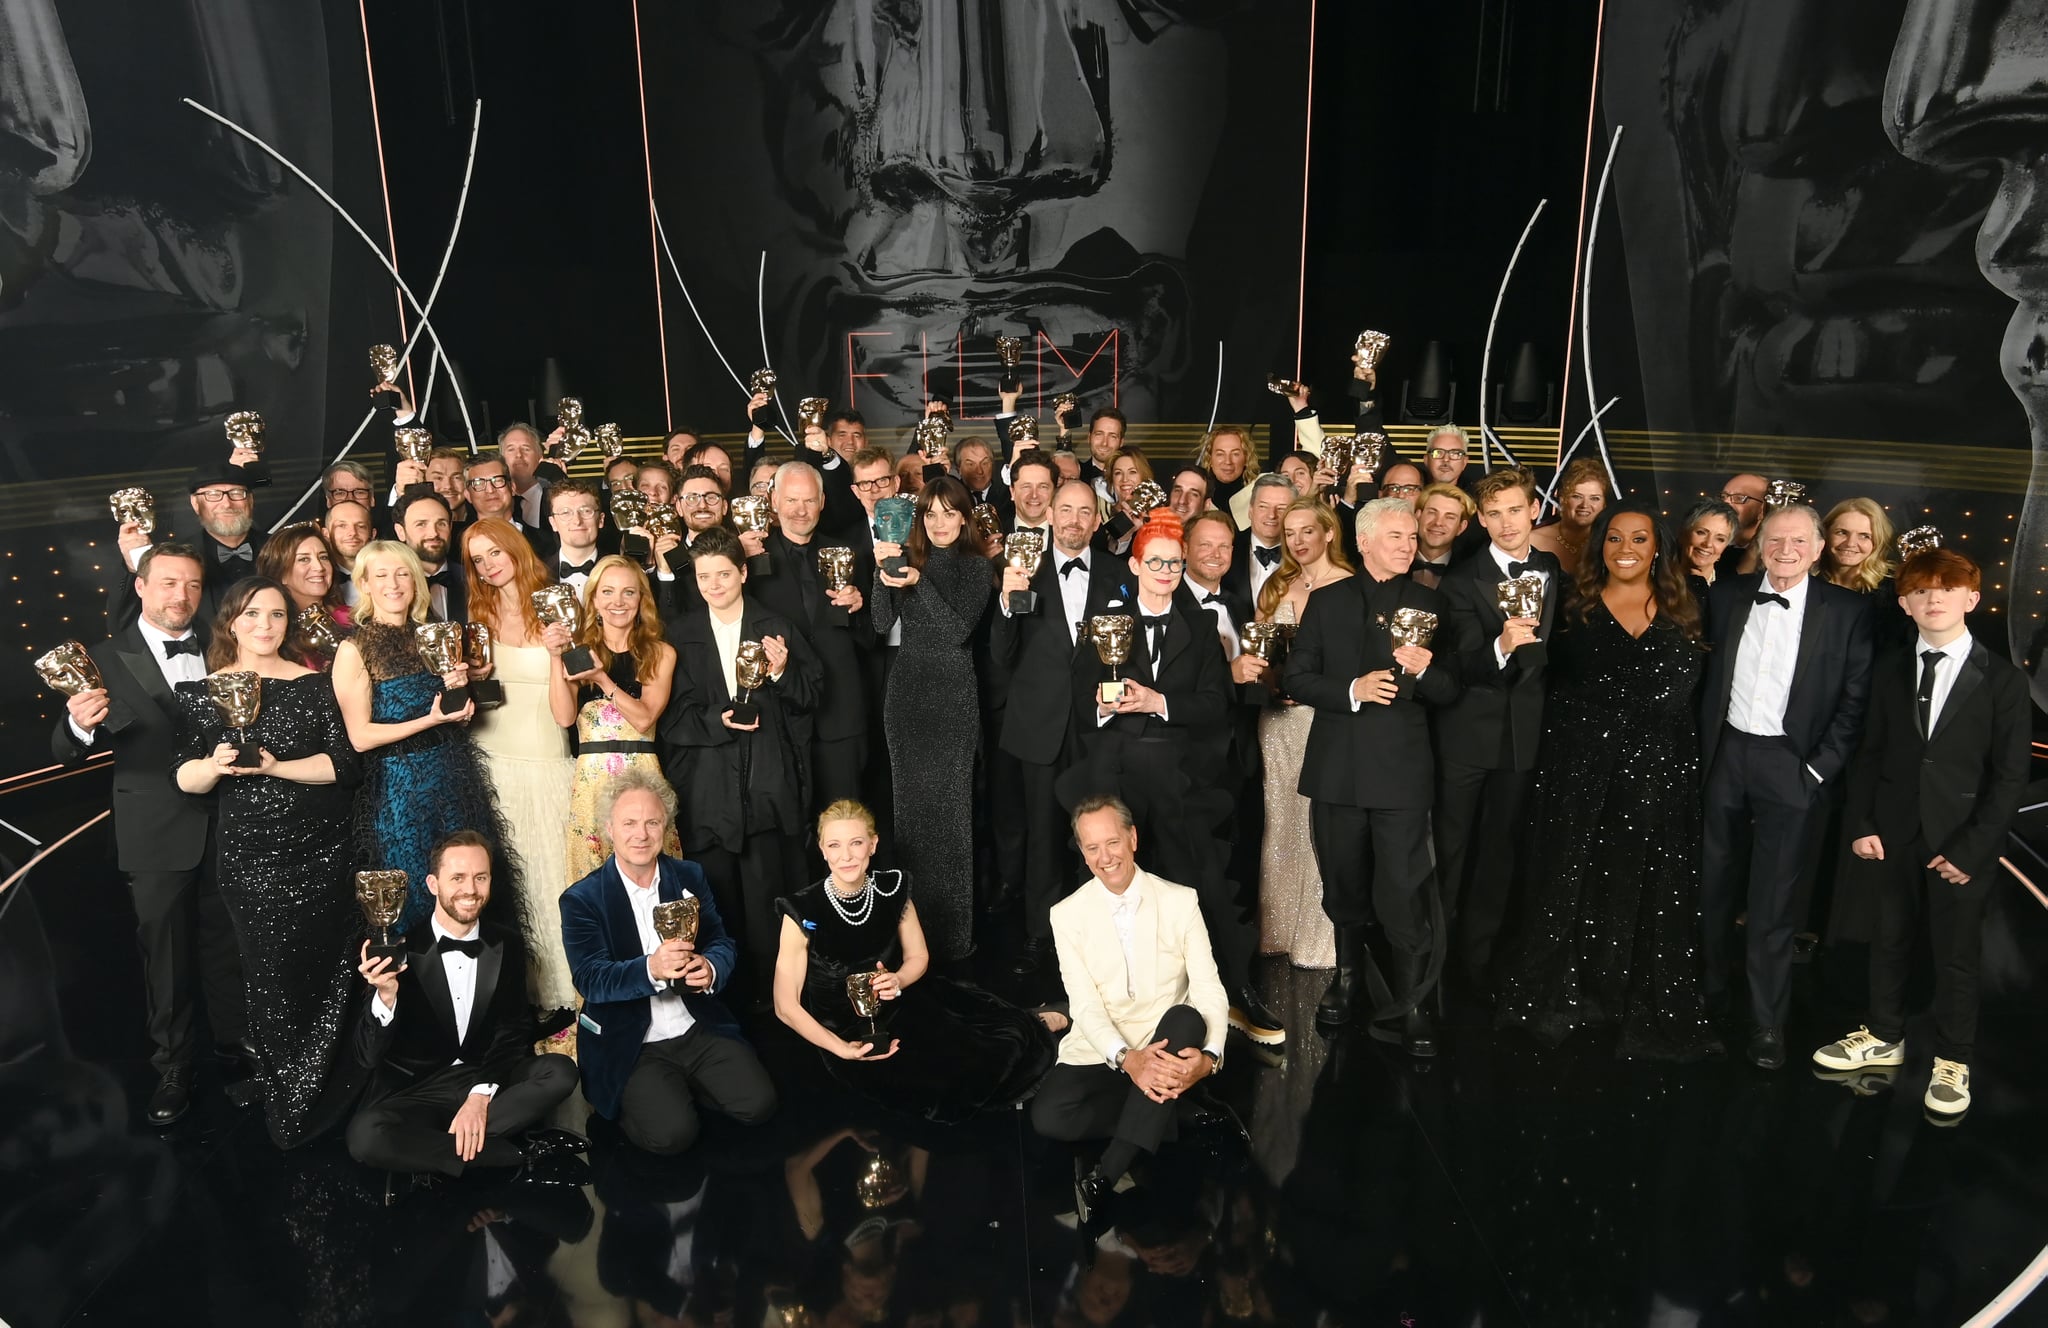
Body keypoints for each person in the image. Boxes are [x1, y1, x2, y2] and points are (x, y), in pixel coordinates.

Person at [1492, 503, 1720, 1060]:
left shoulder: (1694, 603)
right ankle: (1568, 993)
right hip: (1578, 764)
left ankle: (1626, 995)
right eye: (1614, 537)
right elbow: (1535, 677)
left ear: (1658, 546)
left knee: (1650, 884)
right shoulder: (1569, 601)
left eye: (1639, 538)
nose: (1625, 547)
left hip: (1661, 768)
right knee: (1572, 876)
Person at [1811, 550, 2029, 1119]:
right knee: (1889, 940)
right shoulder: (1887, 667)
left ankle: (1953, 1059)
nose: (1935, 599)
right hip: (1892, 834)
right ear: (1905, 604)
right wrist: (1862, 825)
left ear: (1971, 599)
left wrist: (1973, 849)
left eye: (1948, 589)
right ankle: (1885, 1034)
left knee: (1956, 956)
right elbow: (1868, 754)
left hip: (1962, 842)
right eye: (1923, 591)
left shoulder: (2003, 679)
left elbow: (2009, 778)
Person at [1062, 510, 1281, 1046]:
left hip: (1182, 777)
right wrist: (1105, 705)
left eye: (1174, 563)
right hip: (1117, 774)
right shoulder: (1104, 625)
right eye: (1155, 561)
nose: (1164, 570)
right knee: (1120, 890)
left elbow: (1215, 704)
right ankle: (1115, 1003)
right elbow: (1078, 703)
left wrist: (1158, 701)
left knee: (1201, 885)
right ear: (1134, 564)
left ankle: (1232, 993)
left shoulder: (1202, 627)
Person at [52, 542, 247, 1125]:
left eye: (190, 585)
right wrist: (76, 726)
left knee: (228, 948)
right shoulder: (103, 657)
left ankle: (238, 1054)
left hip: (231, 822)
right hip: (154, 831)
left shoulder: (222, 644)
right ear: (140, 586)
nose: (181, 596)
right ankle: (173, 1068)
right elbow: (62, 751)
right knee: (164, 959)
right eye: (167, 583)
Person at [172, 577, 363, 1146]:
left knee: (330, 970)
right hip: (251, 856)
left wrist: (276, 766)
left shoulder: (315, 686)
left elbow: (344, 768)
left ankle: (336, 1086)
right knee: (271, 977)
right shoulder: (198, 694)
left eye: (277, 615)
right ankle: (290, 1096)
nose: (265, 625)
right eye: (253, 614)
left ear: (289, 623)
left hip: (323, 850)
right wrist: (215, 764)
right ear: (232, 621)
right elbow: (184, 776)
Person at [1283, 498, 1462, 1054]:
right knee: (1343, 881)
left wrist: (1426, 668)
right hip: (1337, 771)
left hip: (1402, 773)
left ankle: (1411, 1002)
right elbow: (1297, 677)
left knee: (1405, 888)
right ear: (1363, 542)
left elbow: (1451, 691)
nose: (1410, 544)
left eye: (1412, 537)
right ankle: (1348, 981)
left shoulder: (1433, 603)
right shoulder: (1327, 601)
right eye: (1397, 537)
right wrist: (1351, 691)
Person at [1699, 504, 1874, 1069]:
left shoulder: (1847, 610)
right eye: (1777, 539)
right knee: (1710, 883)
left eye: (1799, 541)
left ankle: (1766, 1022)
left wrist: (1817, 770)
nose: (1787, 550)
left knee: (1773, 901)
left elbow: (1854, 703)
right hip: (1725, 751)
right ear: (1761, 544)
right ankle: (1705, 1000)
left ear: (1819, 548)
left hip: (1790, 763)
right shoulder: (1726, 595)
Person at [772, 801, 1054, 1121]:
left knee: (999, 1044)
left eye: (856, 843)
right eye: (834, 845)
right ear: (822, 850)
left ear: (873, 844)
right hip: (843, 1029)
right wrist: (841, 1049)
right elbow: (785, 1006)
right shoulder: (802, 910)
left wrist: (899, 980)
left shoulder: (892, 889)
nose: (846, 855)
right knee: (930, 1085)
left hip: (903, 1004)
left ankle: (1040, 1019)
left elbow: (918, 956)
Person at [1031, 797, 1229, 1219]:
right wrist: (1127, 1059)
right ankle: (1180, 1112)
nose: (1104, 857)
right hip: (1106, 1050)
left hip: (1168, 1037)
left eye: (1112, 842)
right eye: (1091, 848)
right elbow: (1083, 1004)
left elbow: (1209, 988)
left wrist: (1210, 1058)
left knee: (1188, 1015)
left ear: (1133, 839)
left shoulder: (1180, 900)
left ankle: (1107, 1172)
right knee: (1049, 1116)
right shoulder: (1066, 915)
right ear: (1082, 852)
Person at [560, 770, 777, 1156]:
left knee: (759, 1106)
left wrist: (710, 968)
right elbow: (590, 978)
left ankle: (681, 1088)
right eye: (629, 823)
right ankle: (652, 1098)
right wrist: (651, 969)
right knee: (672, 1137)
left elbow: (721, 943)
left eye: (652, 822)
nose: (641, 834)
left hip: (696, 1024)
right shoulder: (582, 898)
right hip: (633, 1041)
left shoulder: (689, 876)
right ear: (609, 828)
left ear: (665, 826)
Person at [345, 830, 582, 1180]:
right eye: (457, 878)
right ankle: (517, 1153)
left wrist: (479, 1096)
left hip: (486, 1074)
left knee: (561, 1071)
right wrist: (386, 995)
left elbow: (515, 1029)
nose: (470, 890)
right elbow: (367, 1056)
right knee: (365, 1136)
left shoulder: (509, 943)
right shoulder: (399, 949)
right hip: (422, 1090)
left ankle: (433, 1152)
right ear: (432, 884)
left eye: (480, 877)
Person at [660, 527, 821, 974]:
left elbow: (811, 697)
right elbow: (669, 715)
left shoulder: (776, 626)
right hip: (708, 789)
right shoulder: (680, 633)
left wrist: (784, 671)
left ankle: (776, 1000)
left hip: (767, 785)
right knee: (717, 903)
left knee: (768, 897)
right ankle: (721, 992)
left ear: (744, 572)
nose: (714, 585)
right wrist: (717, 720)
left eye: (724, 575)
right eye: (704, 576)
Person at [1430, 468, 1563, 998]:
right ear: (1480, 520)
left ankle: (1479, 959)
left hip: (1523, 739)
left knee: (1501, 850)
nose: (1507, 522)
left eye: (1515, 509)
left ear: (1534, 511)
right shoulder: (1461, 579)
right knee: (1451, 848)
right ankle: (1434, 962)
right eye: (1495, 513)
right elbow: (1458, 664)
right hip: (1466, 737)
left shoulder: (1551, 567)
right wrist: (1502, 646)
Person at [333, 540, 503, 933]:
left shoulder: (433, 635)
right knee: (412, 888)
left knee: (465, 882)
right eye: (381, 575)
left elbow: (456, 717)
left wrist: (461, 696)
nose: (393, 584)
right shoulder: (354, 648)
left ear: (416, 581)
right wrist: (430, 720)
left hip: (452, 776)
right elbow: (360, 737)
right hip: (398, 788)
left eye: (402, 573)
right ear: (365, 584)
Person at [989, 476, 1120, 975]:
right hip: (1038, 728)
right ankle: (1040, 939)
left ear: (1096, 518)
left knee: (1099, 833)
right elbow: (1001, 656)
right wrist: (1006, 601)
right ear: (1049, 515)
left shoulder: (1115, 572)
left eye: (1085, 512)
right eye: (1066, 510)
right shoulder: (1021, 568)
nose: (1074, 521)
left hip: (1097, 727)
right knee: (1042, 836)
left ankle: (1101, 938)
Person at [871, 475, 991, 962]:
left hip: (954, 696)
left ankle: (954, 939)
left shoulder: (978, 567)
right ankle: (912, 940)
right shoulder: (906, 556)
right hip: (906, 697)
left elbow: (957, 632)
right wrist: (882, 576)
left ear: (964, 517)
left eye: (949, 513)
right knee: (910, 822)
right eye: (931, 514)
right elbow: (880, 623)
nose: (939, 523)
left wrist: (919, 584)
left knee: (952, 819)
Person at [462, 519, 579, 1013]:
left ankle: (566, 999)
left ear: (515, 547)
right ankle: (512, 1004)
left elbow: (566, 714)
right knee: (504, 887)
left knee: (551, 883)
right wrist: (472, 679)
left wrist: (556, 656)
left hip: (546, 764)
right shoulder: (476, 616)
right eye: (477, 559)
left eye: (494, 552)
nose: (488, 565)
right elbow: (471, 706)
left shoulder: (559, 607)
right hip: (489, 765)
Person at [1253, 499, 1353, 970]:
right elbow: (1261, 651)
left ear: (1328, 532)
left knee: (1318, 824)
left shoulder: (1352, 588)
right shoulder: (1278, 584)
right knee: (1280, 821)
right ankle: (1275, 930)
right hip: (1277, 722)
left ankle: (1317, 939)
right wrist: (1272, 682)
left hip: (1323, 719)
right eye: (1289, 532)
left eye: (1306, 531)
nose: (1296, 540)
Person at [749, 461, 872, 812]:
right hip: (778, 717)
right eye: (791, 500)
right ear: (773, 501)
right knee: (790, 827)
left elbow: (870, 639)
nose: (800, 511)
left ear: (822, 502)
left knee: (847, 817)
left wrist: (860, 607)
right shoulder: (750, 559)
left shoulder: (850, 555)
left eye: (808, 501)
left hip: (841, 715)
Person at [565, 556, 679, 884]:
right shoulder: (579, 652)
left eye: (629, 592)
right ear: (594, 600)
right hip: (590, 778)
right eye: (608, 592)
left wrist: (602, 679)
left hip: (641, 772)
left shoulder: (660, 653)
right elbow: (564, 716)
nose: (618, 601)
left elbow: (644, 719)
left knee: (652, 868)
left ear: (641, 600)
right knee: (591, 874)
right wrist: (555, 658)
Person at [110, 457, 266, 634]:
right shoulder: (172, 559)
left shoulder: (286, 549)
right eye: (212, 494)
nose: (226, 503)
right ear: (195, 504)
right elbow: (123, 626)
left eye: (237, 493)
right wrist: (135, 565)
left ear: (250, 500)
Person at [255, 525, 351, 668]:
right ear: (280, 572)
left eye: (323, 557)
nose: (319, 567)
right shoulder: (269, 629)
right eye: (304, 559)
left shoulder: (352, 618)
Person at [1527, 457, 1611, 574]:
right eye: (1577, 496)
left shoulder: (1611, 542)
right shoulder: (1532, 540)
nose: (1585, 505)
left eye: (1595, 498)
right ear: (1562, 499)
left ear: (1604, 504)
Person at [1223, 475, 1292, 612]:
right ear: (1250, 511)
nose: (1271, 515)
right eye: (1263, 507)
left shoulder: (1304, 555)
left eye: (1281, 508)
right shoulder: (1227, 550)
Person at [395, 489, 466, 624]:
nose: (433, 533)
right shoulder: (391, 586)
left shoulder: (472, 579)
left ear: (450, 527)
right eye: (421, 524)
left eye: (441, 524)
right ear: (401, 532)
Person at [546, 478, 608, 594]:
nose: (577, 521)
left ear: (600, 520)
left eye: (586, 511)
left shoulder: (623, 570)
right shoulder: (536, 574)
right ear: (553, 523)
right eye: (565, 512)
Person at [1412, 483, 1472, 588]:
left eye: (1450, 517)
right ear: (1418, 516)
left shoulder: (1470, 571)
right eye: (1432, 512)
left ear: (1461, 527)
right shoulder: (1391, 559)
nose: (1438, 522)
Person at [1715, 472, 1769, 574]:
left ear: (1763, 509)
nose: (1726, 503)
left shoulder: (1771, 558)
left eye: (1739, 498)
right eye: (1723, 496)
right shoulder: (1707, 547)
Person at [1681, 499, 1738, 598]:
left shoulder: (1733, 589)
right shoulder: (1660, 581)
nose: (1708, 544)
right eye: (1701, 533)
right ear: (1684, 533)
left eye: (1720, 539)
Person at [323, 501, 374, 605]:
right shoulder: (317, 577)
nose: (352, 533)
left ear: (372, 534)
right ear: (326, 534)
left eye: (360, 526)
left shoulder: (388, 576)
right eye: (342, 526)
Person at [1197, 426, 1252, 511]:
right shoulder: (1198, 496)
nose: (1228, 461)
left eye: (1235, 454)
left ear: (1246, 458)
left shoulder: (1257, 496)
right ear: (1210, 459)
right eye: (1220, 454)